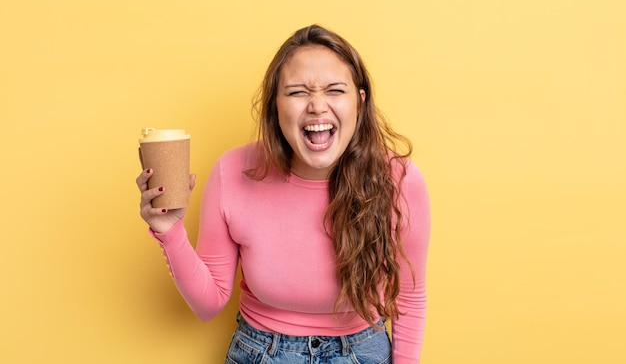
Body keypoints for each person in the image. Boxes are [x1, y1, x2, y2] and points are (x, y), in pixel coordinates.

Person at [136, 24, 430, 364]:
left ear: (360, 103)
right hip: (261, 353)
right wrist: (169, 231)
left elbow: (409, 297)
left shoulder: (401, 180)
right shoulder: (232, 172)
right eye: (296, 92)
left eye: (335, 90)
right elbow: (209, 303)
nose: (317, 106)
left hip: (363, 352)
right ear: (276, 106)